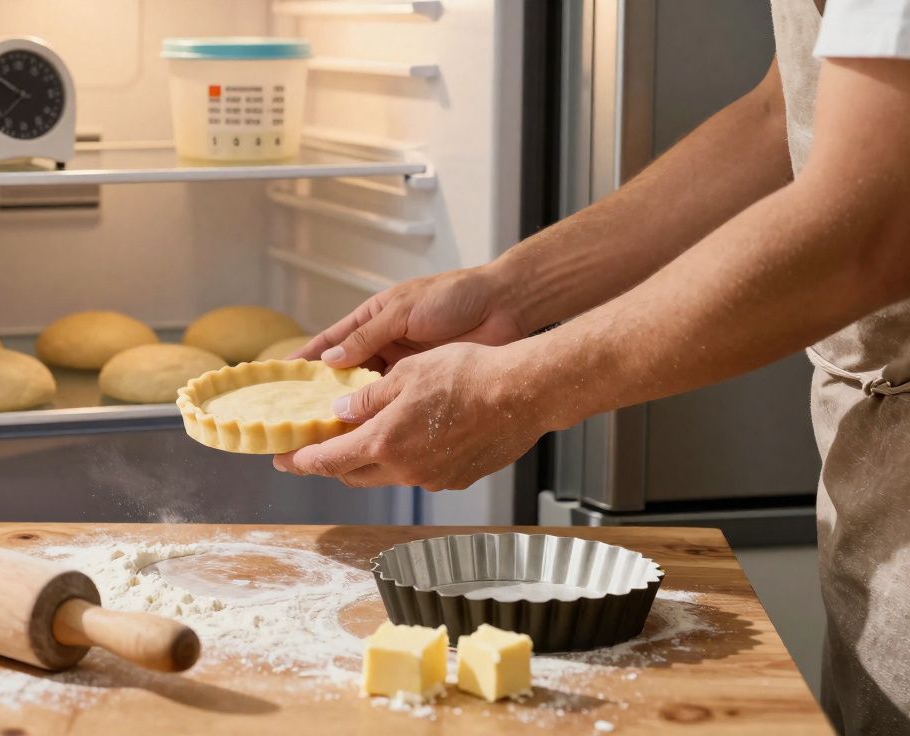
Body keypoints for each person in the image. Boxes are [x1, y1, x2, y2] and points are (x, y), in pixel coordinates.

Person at [273, 1, 910, 732]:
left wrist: (517, 390)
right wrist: (515, 291)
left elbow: (872, 226)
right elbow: (786, 114)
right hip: (869, 452)